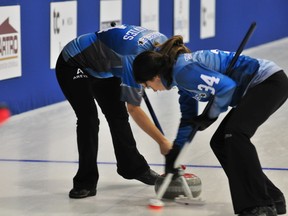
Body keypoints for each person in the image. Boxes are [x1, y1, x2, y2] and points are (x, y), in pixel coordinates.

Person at [132, 35, 288, 216]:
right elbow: (188, 120)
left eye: (148, 85)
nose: (152, 90)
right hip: (256, 88)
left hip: (268, 82)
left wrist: (209, 117)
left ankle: (260, 206)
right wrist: (175, 153)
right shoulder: (180, 81)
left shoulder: (183, 70)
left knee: (235, 134)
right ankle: (272, 197)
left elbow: (227, 88)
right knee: (220, 141)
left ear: (156, 77)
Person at [55, 24, 172, 199]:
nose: (154, 90)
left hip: (104, 69)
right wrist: (162, 141)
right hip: (74, 63)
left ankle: (133, 167)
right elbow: (134, 108)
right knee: (89, 119)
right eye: (153, 85)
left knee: (117, 116)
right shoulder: (132, 57)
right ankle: (85, 181)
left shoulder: (163, 47)